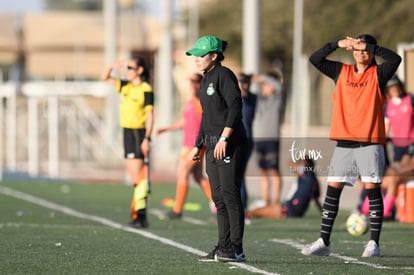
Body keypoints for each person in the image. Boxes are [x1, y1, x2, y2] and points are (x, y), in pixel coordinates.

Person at [301, 34, 401, 257]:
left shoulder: (379, 74)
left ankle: (373, 243)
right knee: (332, 191)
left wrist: (369, 46)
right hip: (344, 143)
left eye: (364, 50)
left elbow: (395, 59)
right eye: (356, 49)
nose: (360, 53)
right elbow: (315, 59)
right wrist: (336, 44)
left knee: (372, 191)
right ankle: (323, 241)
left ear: (371, 52)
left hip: (370, 142)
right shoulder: (341, 71)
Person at [186, 35, 248, 262]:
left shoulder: (224, 75)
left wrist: (224, 138)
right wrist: (199, 144)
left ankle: (236, 249)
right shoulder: (206, 79)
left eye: (201, 55)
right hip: (212, 145)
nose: (196, 59)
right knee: (218, 198)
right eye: (195, 55)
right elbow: (207, 116)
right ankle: (223, 247)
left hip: (229, 144)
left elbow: (235, 106)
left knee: (231, 195)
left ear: (214, 55)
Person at [101, 57, 154, 228]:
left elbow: (150, 115)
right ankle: (139, 215)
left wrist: (147, 138)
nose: (127, 70)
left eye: (131, 67)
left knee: (138, 179)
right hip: (127, 132)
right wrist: (111, 66)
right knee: (136, 179)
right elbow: (105, 77)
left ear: (140, 70)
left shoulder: (146, 89)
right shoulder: (126, 86)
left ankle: (141, 216)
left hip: (138, 133)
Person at [156, 73, 214, 219]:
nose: (192, 85)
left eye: (195, 82)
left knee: (182, 173)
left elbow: (208, 119)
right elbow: (185, 122)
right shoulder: (190, 102)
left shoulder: (201, 101)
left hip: (195, 145)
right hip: (188, 144)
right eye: (191, 81)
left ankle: (177, 210)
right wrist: (167, 129)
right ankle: (218, 203)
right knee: (198, 176)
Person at [246, 158, 322, 219]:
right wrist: (324, 213)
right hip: (297, 212)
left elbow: (290, 163)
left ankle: (245, 217)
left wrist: (299, 161)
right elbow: (316, 200)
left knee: (255, 212)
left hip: (288, 210)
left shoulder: (305, 175)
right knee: (260, 211)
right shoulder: (314, 181)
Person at [252, 72, 285, 206]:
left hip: (272, 138)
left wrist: (263, 77)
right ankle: (265, 200)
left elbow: (280, 87)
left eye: (267, 84)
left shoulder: (278, 98)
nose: (264, 86)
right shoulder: (258, 99)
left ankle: (276, 200)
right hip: (258, 139)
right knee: (263, 170)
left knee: (274, 169)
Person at [237, 73, 257, 219]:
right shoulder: (235, 95)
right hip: (234, 139)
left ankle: (241, 207)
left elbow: (243, 94)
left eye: (245, 82)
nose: (243, 85)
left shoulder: (250, 98)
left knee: (239, 175)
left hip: (245, 140)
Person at [384, 75, 414, 162]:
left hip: (411, 142)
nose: (395, 90)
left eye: (396, 87)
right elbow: (387, 126)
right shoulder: (387, 105)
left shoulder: (410, 99)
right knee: (396, 169)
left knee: (405, 167)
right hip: (397, 145)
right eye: (391, 88)